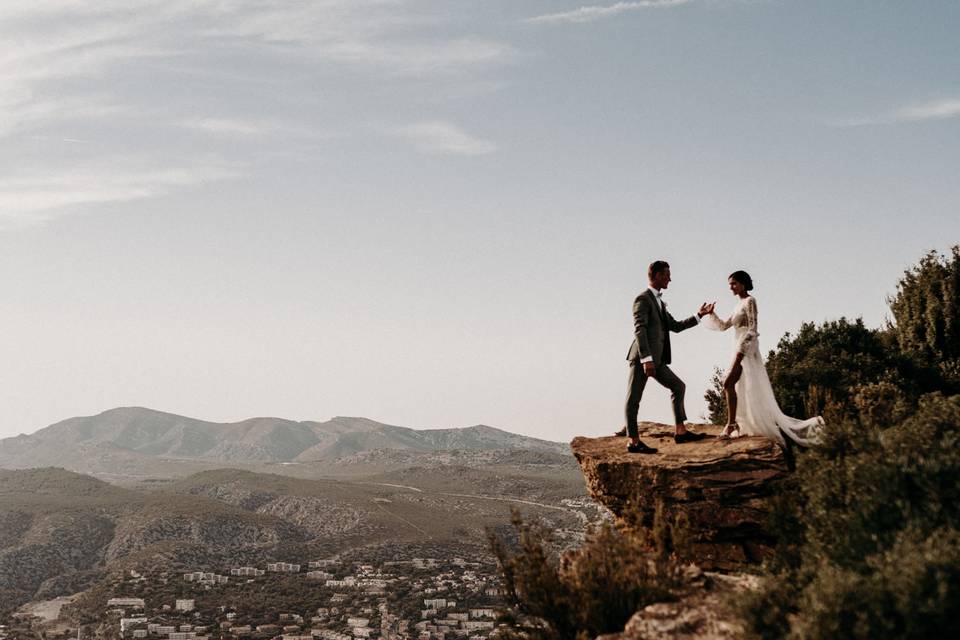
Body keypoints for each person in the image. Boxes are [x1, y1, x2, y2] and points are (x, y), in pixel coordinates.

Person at [702, 270, 823, 445]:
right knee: (731, 384)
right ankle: (733, 423)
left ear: (743, 284)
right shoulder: (738, 305)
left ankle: (731, 424)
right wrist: (711, 314)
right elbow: (724, 326)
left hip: (745, 348)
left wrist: (741, 352)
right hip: (737, 346)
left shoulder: (750, 301)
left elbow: (753, 329)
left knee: (727, 383)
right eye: (729, 285)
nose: (731, 287)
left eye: (733, 284)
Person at [623, 260, 715, 453]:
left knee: (678, 386)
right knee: (633, 399)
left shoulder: (659, 302)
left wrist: (699, 315)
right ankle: (633, 441)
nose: (670, 279)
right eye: (667, 275)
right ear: (656, 275)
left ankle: (680, 432)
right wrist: (646, 359)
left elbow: (675, 326)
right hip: (642, 358)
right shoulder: (643, 299)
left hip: (658, 360)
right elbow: (639, 329)